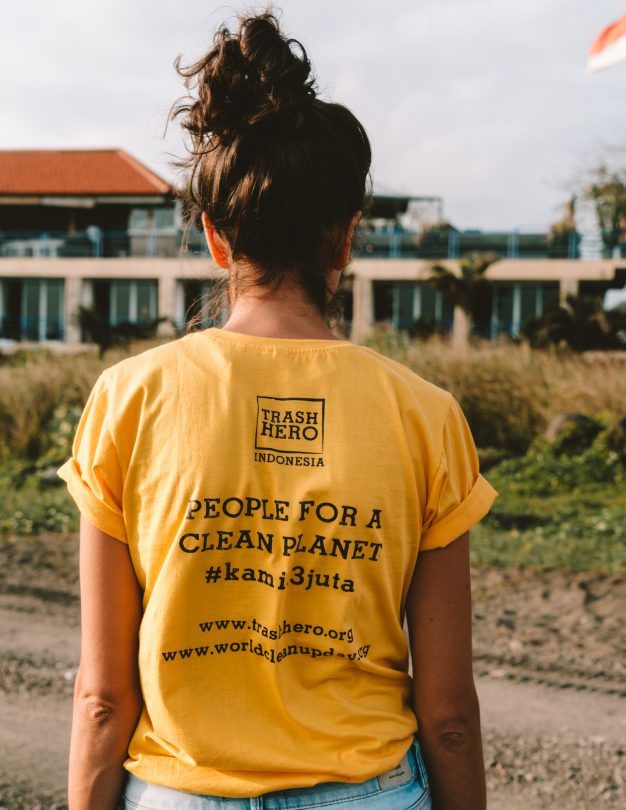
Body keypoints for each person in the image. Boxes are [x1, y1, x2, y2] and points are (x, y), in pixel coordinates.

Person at [56, 10, 498, 810]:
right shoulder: (425, 416)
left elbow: (103, 697)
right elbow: (450, 716)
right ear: (346, 241)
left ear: (219, 241)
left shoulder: (127, 400)